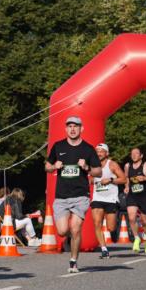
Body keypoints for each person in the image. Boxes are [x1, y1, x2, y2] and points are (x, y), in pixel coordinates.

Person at [45, 116, 102, 274]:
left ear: (81, 129)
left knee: (76, 228)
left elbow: (99, 171)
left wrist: (87, 168)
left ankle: (73, 261)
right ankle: (71, 239)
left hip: (80, 196)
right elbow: (47, 166)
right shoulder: (58, 146)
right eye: (69, 126)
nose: (72, 129)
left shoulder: (88, 149)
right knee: (63, 231)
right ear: (66, 129)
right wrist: (53, 167)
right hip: (61, 196)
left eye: (75, 126)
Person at [90, 143, 126, 259]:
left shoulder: (112, 164)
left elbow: (124, 179)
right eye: (97, 151)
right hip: (97, 198)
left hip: (111, 198)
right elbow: (90, 179)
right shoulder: (93, 164)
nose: (98, 153)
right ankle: (104, 249)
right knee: (97, 223)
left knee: (111, 227)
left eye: (101, 151)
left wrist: (110, 180)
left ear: (107, 153)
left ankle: (115, 227)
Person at [124, 147, 146, 254]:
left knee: (145, 221)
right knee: (131, 217)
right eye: (132, 154)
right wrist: (126, 186)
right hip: (132, 195)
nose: (134, 155)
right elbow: (126, 178)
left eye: (136, 153)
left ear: (141, 156)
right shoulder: (127, 166)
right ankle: (137, 238)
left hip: (145, 196)